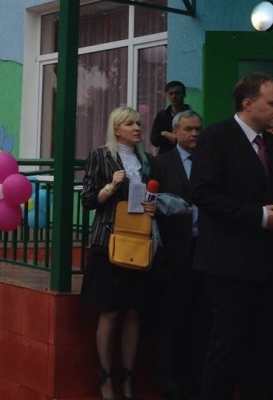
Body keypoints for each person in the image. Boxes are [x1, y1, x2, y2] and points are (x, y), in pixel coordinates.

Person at [190, 72, 273, 400]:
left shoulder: (268, 142)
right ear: (248, 103)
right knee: (227, 345)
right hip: (228, 266)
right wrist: (259, 216)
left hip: (264, 265)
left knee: (262, 347)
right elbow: (203, 192)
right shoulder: (217, 137)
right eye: (271, 103)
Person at [81, 107, 157, 400]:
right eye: (130, 124)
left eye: (138, 123)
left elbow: (151, 195)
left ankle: (127, 377)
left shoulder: (146, 160)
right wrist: (111, 186)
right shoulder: (100, 156)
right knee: (110, 311)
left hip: (139, 242)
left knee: (134, 311)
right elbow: (88, 200)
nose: (137, 128)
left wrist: (152, 204)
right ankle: (105, 377)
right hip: (109, 241)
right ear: (116, 129)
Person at [151, 110, 208, 400]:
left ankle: (196, 379)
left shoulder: (209, 161)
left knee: (201, 320)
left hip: (205, 251)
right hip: (173, 255)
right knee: (171, 318)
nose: (194, 133)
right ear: (175, 132)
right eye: (188, 129)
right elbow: (151, 204)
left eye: (198, 128)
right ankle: (168, 380)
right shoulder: (161, 164)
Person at [151, 81, 191, 155]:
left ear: (184, 94)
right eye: (171, 93)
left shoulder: (191, 116)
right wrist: (172, 140)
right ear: (167, 95)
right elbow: (154, 140)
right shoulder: (162, 115)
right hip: (165, 156)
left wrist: (165, 133)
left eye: (177, 93)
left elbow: (189, 140)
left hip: (185, 155)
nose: (174, 96)